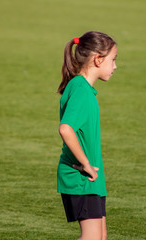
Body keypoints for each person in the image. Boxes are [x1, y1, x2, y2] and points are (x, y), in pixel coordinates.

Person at [57, 31, 117, 240]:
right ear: (98, 60)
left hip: (91, 178)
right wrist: (86, 164)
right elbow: (66, 128)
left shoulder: (83, 88)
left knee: (100, 237)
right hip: (82, 177)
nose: (115, 66)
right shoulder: (81, 90)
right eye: (113, 60)